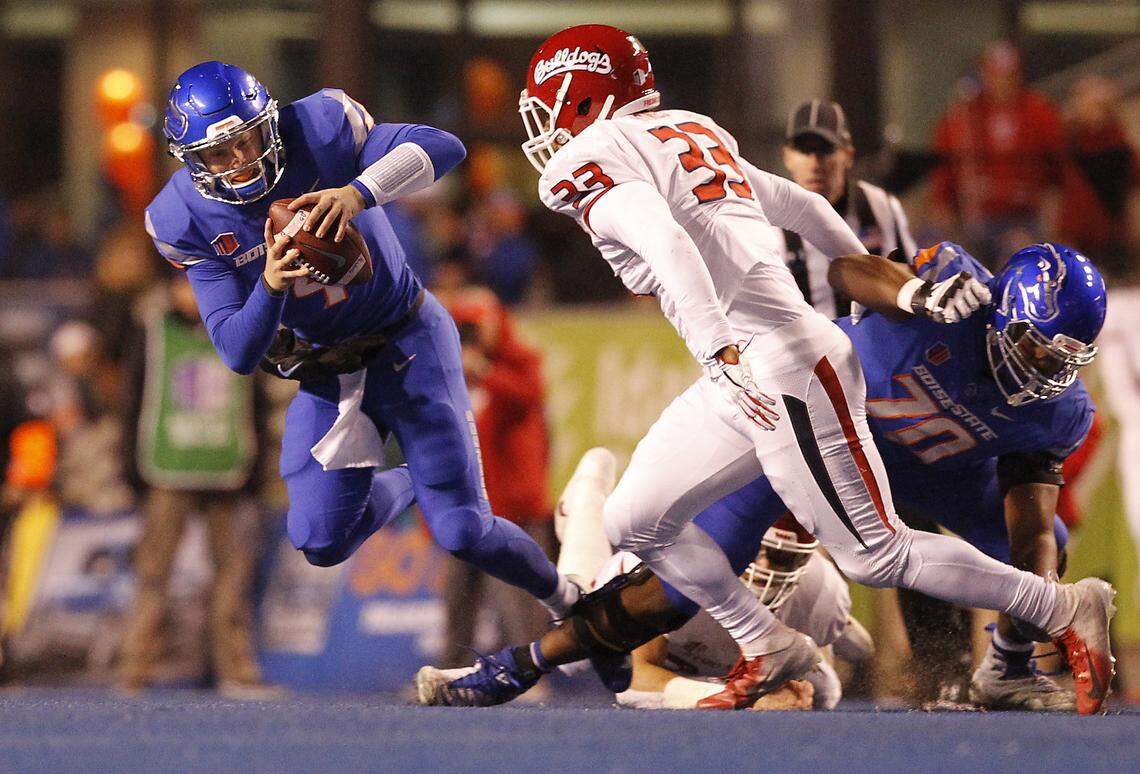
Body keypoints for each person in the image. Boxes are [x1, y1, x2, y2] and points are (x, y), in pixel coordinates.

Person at [419, 24, 1115, 714]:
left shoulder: (592, 156)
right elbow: (798, 203)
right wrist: (854, 267)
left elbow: (665, 244)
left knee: (878, 555)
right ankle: (765, 641)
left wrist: (717, 350)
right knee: (636, 521)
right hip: (752, 358)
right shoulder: (686, 128)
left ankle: (1061, 604)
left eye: (548, 104)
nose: (542, 125)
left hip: (779, 361)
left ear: (581, 100)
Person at [422, 241, 1105, 713]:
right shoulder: (958, 296)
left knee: (1037, 547)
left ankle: (1007, 665)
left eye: (1060, 360)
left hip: (931, 473)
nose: (1040, 370)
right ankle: (525, 661)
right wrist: (916, 291)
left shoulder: (1057, 406)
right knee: (670, 585)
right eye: (1031, 345)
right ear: (1003, 313)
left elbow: (1032, 518)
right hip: (821, 437)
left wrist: (1031, 603)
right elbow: (850, 271)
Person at [143, 63, 582, 648]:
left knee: (461, 530)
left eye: (246, 139)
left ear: (267, 121)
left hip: (407, 339)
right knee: (319, 540)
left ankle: (570, 600)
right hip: (326, 369)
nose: (241, 161)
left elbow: (444, 146)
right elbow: (238, 351)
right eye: (219, 153)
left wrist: (358, 191)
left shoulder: (320, 127)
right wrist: (270, 285)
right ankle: (405, 482)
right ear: (190, 158)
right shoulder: (183, 217)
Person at [419, 447, 874, 710]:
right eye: (762, 552)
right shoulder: (678, 575)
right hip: (633, 584)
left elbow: (825, 687)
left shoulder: (819, 591)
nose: (769, 573)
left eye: (783, 558)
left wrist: (810, 685)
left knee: (848, 645)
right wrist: (741, 700)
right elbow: (634, 682)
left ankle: (846, 630)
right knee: (580, 617)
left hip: (778, 626)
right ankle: (588, 492)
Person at [117, 273, 270, 695]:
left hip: (226, 467)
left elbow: (252, 401)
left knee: (231, 575)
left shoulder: (237, 328)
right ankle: (134, 667)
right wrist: (130, 466)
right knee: (153, 574)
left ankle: (236, 669)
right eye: (183, 286)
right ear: (170, 289)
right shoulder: (152, 332)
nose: (191, 294)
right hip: (167, 467)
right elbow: (134, 399)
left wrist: (253, 468)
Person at [438, 287, 555, 666]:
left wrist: (485, 371)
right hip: (466, 506)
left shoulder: (520, 363)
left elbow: (528, 395)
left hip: (514, 506)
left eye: (477, 326)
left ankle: (526, 668)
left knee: (517, 599)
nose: (471, 335)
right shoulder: (450, 372)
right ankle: (452, 669)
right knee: (458, 596)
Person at [930, 41, 1066, 267]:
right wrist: (943, 209)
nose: (1001, 83)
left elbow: (1057, 170)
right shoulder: (963, 116)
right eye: (995, 76)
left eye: (1008, 76)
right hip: (978, 218)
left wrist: (1053, 216)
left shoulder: (1039, 112)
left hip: (1025, 217)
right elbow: (945, 170)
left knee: (1019, 253)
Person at [778, 99, 917, 318]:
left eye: (825, 149)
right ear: (787, 156)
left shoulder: (881, 206)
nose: (814, 163)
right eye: (803, 149)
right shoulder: (769, 223)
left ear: (848, 155)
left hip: (881, 346)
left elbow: (913, 274)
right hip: (813, 351)